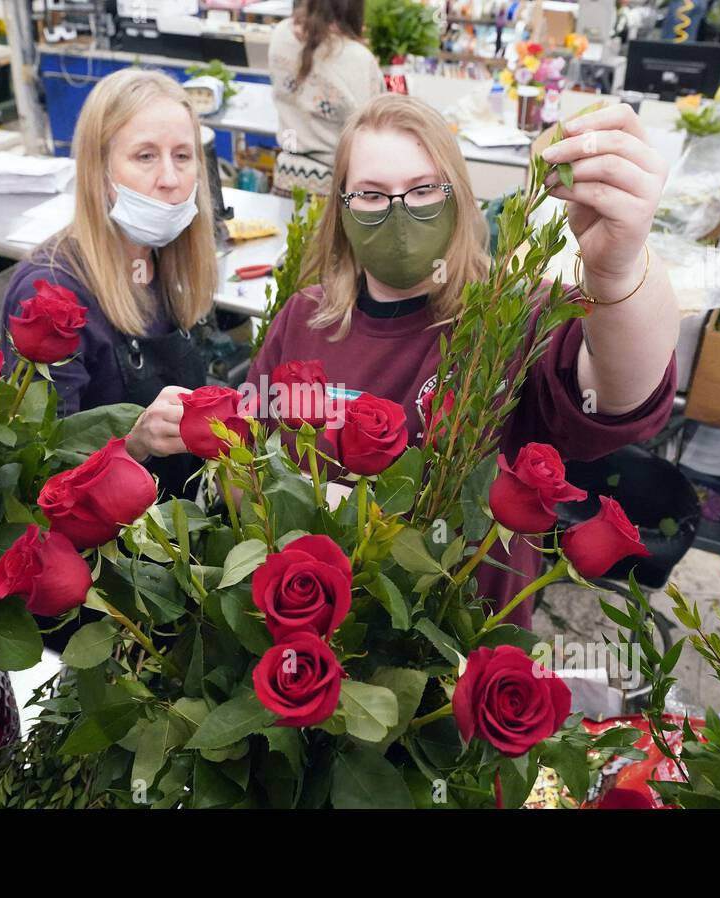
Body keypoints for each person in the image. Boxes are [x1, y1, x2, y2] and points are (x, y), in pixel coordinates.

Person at [245, 93, 679, 628]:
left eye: (423, 189)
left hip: (460, 649)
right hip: (309, 633)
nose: (399, 212)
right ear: (341, 206)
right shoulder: (304, 318)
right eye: (372, 195)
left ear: (459, 197)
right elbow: (249, 458)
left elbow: (619, 398)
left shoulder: (511, 315)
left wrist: (618, 268)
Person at [0, 68, 218, 499]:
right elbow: (37, 469)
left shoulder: (165, 264)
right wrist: (134, 444)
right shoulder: (50, 296)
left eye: (183, 156)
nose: (171, 179)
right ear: (99, 172)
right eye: (145, 156)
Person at [268, 0, 384, 198]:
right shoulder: (357, 57)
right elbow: (373, 125)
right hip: (333, 189)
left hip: (285, 177)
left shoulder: (281, 34)